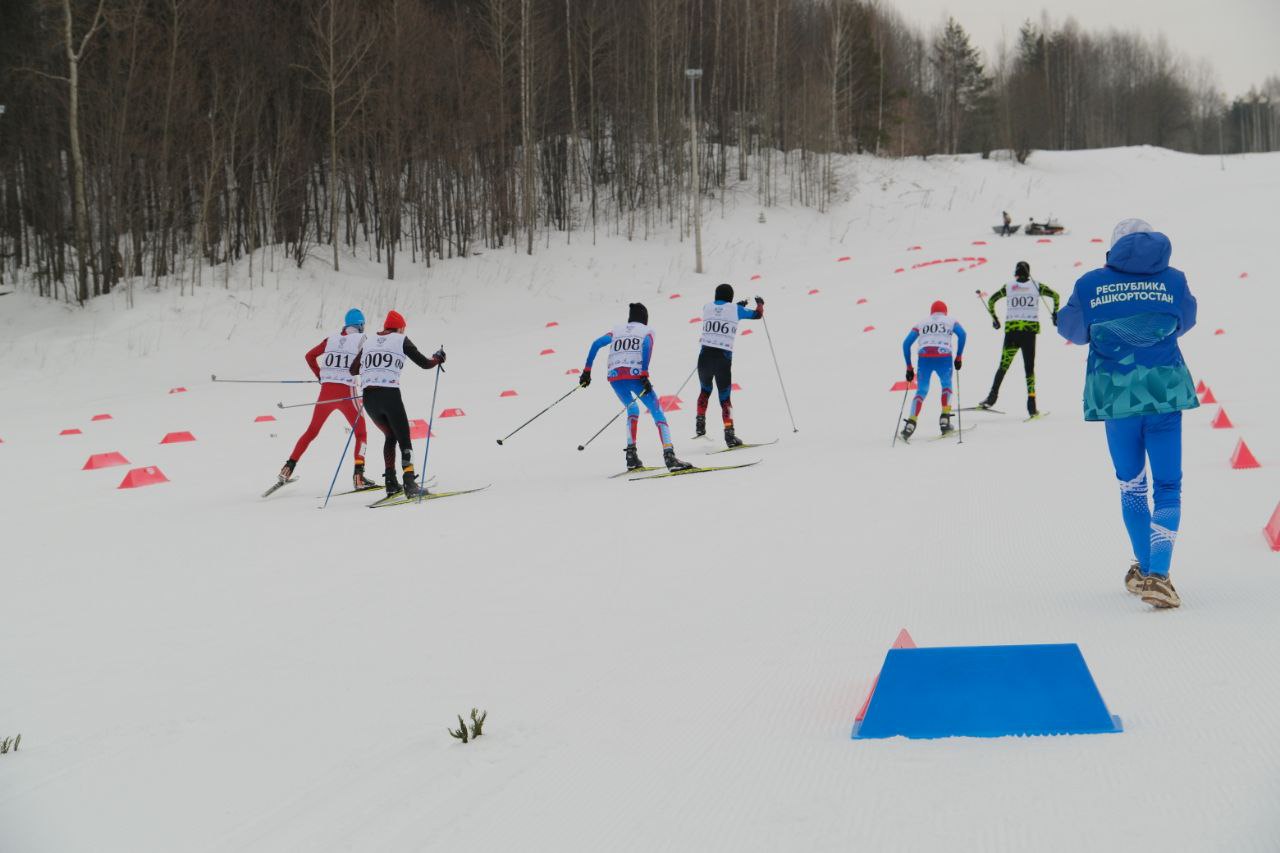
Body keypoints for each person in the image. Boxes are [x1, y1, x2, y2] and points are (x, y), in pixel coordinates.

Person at [1057, 218, 1199, 609]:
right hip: (1166, 391)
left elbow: (1070, 330)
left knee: (1132, 485)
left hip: (1115, 396)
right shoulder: (1174, 280)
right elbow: (1186, 321)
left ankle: (1146, 569)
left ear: (1113, 248)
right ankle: (1159, 576)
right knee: (1168, 486)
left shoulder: (1090, 284)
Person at [580, 302, 692, 472]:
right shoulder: (647, 331)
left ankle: (631, 456)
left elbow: (596, 344)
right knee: (657, 411)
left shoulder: (616, 330)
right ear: (645, 318)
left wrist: (587, 372)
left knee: (633, 411)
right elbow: (646, 346)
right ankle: (669, 456)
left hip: (615, 377)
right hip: (635, 376)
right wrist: (644, 373)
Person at [277, 308, 374, 489]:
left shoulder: (331, 339)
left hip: (326, 392)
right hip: (347, 392)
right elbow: (369, 364)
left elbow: (309, 356)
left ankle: (288, 467)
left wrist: (320, 375)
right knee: (361, 433)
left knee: (311, 431)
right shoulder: (363, 339)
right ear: (360, 325)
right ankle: (359, 476)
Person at [356, 310, 446, 498]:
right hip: (389, 395)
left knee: (390, 436)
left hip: (369, 397)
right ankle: (410, 483)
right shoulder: (400, 339)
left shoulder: (369, 341)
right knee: (404, 437)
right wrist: (438, 358)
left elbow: (352, 369)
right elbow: (424, 363)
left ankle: (391, 483)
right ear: (399, 327)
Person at [978, 261, 1060, 417]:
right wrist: (1055, 315)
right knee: (1029, 369)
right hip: (1029, 333)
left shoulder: (1009, 286)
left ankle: (991, 398)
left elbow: (991, 300)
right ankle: (1032, 406)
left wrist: (995, 319)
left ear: (1016, 272)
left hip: (1012, 332)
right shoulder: (1036, 286)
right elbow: (1055, 296)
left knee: (1003, 365)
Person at [694, 283, 764, 447]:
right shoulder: (735, 310)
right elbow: (757, 315)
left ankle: (699, 426)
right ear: (731, 297)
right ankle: (729, 435)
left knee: (705, 391)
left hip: (704, 358)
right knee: (725, 398)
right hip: (722, 360)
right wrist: (760, 303)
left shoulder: (707, 307)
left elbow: (721, 312)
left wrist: (736, 306)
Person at [900, 301, 966, 440]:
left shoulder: (922, 322)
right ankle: (945, 420)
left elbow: (906, 344)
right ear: (945, 311)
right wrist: (959, 357)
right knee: (946, 386)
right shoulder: (950, 320)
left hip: (924, 357)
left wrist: (909, 367)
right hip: (944, 356)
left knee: (921, 391)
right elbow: (962, 334)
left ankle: (910, 424)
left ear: (931, 312)